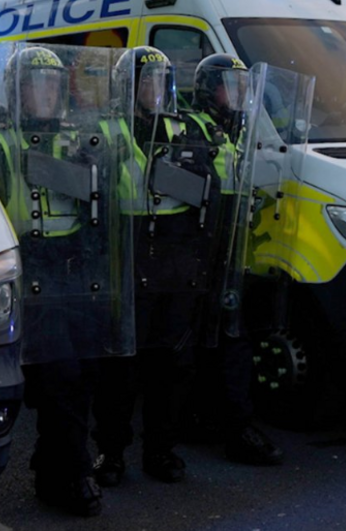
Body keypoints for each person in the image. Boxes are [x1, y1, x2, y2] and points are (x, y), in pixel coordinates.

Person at [0, 46, 125, 517]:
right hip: (27, 271)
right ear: (15, 91)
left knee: (83, 374)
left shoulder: (77, 137)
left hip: (75, 268)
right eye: (33, 84)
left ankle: (54, 465)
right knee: (60, 377)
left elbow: (108, 196)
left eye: (51, 85)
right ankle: (71, 474)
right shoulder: (0, 140)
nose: (44, 94)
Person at [93, 46, 203, 487]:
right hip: (126, 253)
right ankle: (111, 452)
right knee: (120, 366)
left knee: (169, 365)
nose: (154, 89)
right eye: (146, 80)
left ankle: (161, 450)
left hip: (174, 260)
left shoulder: (182, 128)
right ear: (127, 86)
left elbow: (204, 186)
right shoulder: (106, 130)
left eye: (160, 80)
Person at [182, 53, 284, 466]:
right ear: (210, 90)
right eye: (230, 86)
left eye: (243, 87)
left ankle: (233, 425)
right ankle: (202, 422)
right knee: (201, 345)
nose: (238, 95)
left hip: (232, 253)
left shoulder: (237, 133)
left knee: (232, 342)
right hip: (198, 254)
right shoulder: (192, 131)